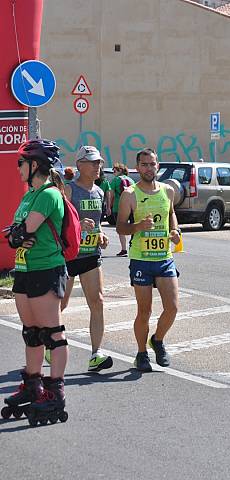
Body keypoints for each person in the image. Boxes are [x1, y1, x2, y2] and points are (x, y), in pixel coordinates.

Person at [2, 139, 69, 425]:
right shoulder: (29, 195)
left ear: (35, 165)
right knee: (31, 332)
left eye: (21, 162)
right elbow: (13, 235)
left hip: (45, 268)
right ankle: (33, 384)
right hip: (24, 268)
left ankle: (55, 391)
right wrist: (17, 234)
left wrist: (18, 234)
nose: (18, 167)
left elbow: (22, 232)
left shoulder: (48, 194)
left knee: (51, 333)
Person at [116, 148, 180, 372]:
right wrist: (138, 227)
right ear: (137, 167)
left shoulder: (168, 190)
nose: (149, 168)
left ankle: (158, 340)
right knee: (145, 312)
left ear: (158, 166)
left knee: (172, 307)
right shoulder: (130, 194)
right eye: (144, 165)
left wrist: (175, 230)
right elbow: (120, 226)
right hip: (141, 259)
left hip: (164, 256)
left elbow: (171, 213)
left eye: (152, 164)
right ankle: (141, 353)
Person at [57, 145, 113, 372]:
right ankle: (51, 344)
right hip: (69, 255)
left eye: (99, 161)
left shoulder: (99, 192)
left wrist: (101, 235)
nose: (97, 165)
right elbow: (57, 223)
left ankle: (96, 354)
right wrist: (78, 227)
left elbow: (96, 223)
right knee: (61, 304)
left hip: (91, 254)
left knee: (97, 301)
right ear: (79, 164)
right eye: (92, 162)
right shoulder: (69, 191)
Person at [111, 163, 134, 256]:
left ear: (120, 170)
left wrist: (109, 206)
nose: (113, 173)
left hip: (118, 207)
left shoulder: (116, 180)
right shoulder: (131, 180)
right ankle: (132, 246)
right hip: (132, 207)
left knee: (120, 228)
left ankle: (124, 249)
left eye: (114, 171)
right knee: (133, 227)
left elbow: (111, 193)